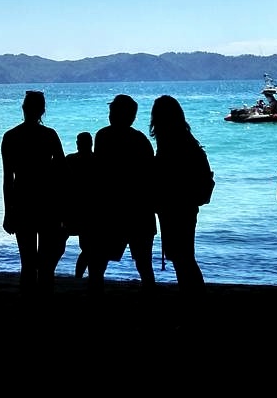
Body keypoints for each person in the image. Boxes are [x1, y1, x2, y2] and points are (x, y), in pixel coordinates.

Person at [1, 89, 65, 293]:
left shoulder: (11, 137)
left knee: (27, 263)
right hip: (47, 203)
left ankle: (28, 307)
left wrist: (8, 212)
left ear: (23, 108)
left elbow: (7, 179)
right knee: (46, 266)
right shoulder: (49, 135)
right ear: (42, 111)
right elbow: (62, 174)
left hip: (22, 203)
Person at [90, 93, 156, 291]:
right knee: (144, 263)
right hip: (138, 210)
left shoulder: (103, 136)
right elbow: (149, 177)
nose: (110, 115)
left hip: (110, 209)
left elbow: (99, 174)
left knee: (99, 262)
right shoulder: (141, 140)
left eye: (113, 111)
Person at [150, 95, 210, 291]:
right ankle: (193, 298)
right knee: (183, 256)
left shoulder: (169, 143)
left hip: (173, 206)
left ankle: (193, 298)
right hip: (186, 204)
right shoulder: (186, 140)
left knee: (181, 257)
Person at [62, 131, 97, 279]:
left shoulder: (70, 159)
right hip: (88, 209)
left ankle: (79, 277)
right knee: (88, 248)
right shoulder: (97, 160)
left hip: (73, 209)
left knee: (86, 247)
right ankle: (81, 276)